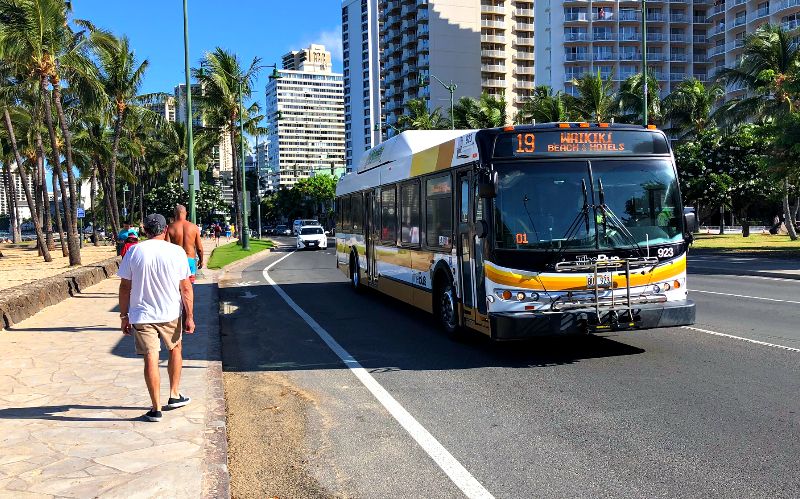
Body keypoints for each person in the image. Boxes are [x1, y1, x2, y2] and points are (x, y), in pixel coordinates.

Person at [118, 213, 194, 422]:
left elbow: (125, 287)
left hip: (142, 314)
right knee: (175, 348)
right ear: (165, 229)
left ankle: (156, 408)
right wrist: (190, 317)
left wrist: (124, 316)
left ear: (145, 231)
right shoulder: (177, 252)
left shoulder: (134, 251)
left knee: (150, 356)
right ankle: (174, 394)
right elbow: (185, 287)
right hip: (170, 312)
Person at [166, 204, 204, 284]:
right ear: (186, 213)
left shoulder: (170, 227)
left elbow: (166, 247)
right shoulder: (194, 227)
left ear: (175, 213)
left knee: (176, 287)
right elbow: (199, 248)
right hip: (190, 260)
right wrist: (201, 260)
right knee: (188, 288)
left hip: (176, 261)